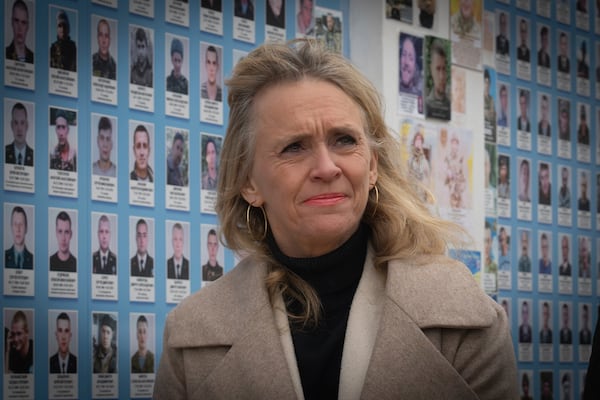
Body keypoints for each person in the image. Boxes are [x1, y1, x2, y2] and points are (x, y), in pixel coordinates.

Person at [154, 40, 518, 399]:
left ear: (372, 165)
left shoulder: (465, 318)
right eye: (294, 146)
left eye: (344, 140)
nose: (327, 168)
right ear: (249, 181)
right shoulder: (191, 335)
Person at [425, 39, 450, 118]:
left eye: (444, 69)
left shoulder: (450, 106)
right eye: (438, 69)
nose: (442, 76)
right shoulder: (426, 105)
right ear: (431, 69)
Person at [407, 130, 430, 198]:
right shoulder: (410, 160)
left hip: (421, 193)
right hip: (412, 192)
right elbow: (407, 175)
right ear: (414, 142)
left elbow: (427, 176)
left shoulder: (424, 161)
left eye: (420, 140)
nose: (418, 142)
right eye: (417, 140)